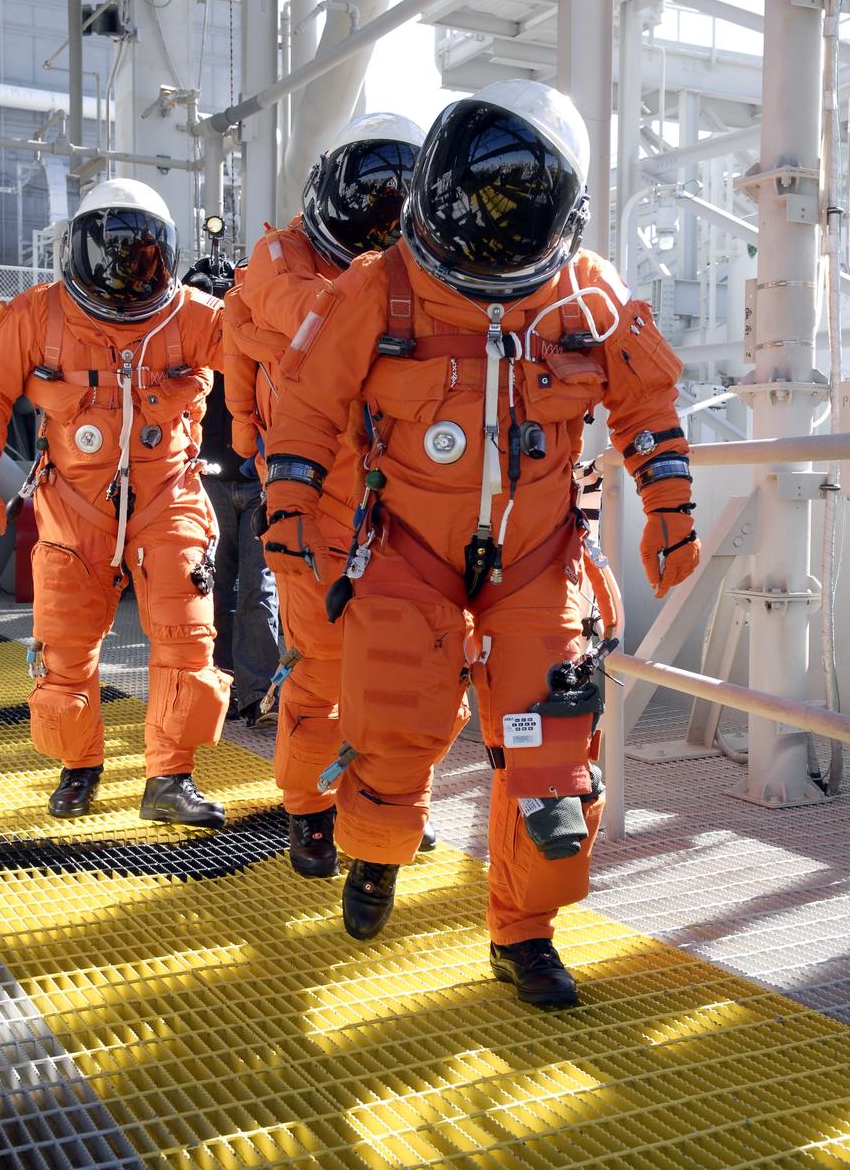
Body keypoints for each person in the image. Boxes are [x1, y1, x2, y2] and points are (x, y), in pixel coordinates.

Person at [263, 81, 700, 1006]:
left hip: (538, 561)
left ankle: (523, 933)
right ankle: (375, 858)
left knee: (553, 765)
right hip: (407, 547)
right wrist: (292, 499)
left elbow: (646, 406)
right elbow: (307, 400)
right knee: (390, 723)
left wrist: (670, 506)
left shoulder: (589, 294)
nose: (481, 230)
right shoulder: (373, 288)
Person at [223, 112, 445, 877]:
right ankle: (309, 814)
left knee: (403, 675)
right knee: (319, 670)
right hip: (314, 505)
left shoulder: (421, 286)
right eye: (373, 204)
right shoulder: (280, 262)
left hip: (403, 512)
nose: (382, 224)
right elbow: (302, 319)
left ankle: (384, 808)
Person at [0, 178, 230, 827]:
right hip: (74, 503)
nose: (126, 276)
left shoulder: (197, 315)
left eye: (142, 260)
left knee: (187, 633)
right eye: (113, 258)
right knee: (66, 645)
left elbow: (280, 368)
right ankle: (79, 766)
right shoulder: (37, 317)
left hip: (169, 496)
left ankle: (169, 778)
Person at [184, 253, 282, 730]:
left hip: (257, 479)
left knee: (256, 590)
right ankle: (221, 685)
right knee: (215, 588)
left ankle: (258, 693)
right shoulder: (192, 338)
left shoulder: (265, 333)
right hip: (215, 480)